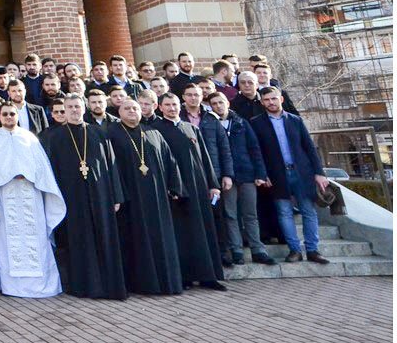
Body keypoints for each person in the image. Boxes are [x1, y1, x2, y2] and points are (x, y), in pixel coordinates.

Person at [39, 93, 126, 300]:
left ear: (84, 108)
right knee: (79, 240)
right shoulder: (55, 137)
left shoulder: (98, 133)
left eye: (78, 107)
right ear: (65, 111)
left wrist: (116, 196)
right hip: (72, 197)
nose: (74, 111)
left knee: (104, 237)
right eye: (70, 108)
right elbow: (50, 172)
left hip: (101, 195)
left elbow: (111, 165)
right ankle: (83, 286)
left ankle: (108, 284)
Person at [0, 102, 65, 298]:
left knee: (36, 238)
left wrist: (29, 175)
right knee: (8, 240)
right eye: (5, 114)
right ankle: (11, 287)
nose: (9, 117)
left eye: (12, 114)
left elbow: (42, 168)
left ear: (18, 116)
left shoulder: (29, 138)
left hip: (30, 194)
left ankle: (41, 286)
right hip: (5, 195)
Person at [106, 98, 184, 295]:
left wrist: (175, 187)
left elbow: (170, 161)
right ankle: (140, 285)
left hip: (157, 198)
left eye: (135, 108)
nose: (132, 111)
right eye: (127, 108)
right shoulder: (111, 134)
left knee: (161, 240)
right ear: (119, 112)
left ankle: (166, 283)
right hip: (130, 199)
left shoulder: (153, 133)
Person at [152, 93, 227, 290]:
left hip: (199, 188)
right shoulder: (155, 130)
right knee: (182, 234)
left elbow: (205, 158)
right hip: (176, 191)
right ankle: (185, 277)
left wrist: (213, 185)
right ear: (160, 107)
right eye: (167, 105)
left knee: (203, 231)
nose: (171, 108)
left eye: (175, 104)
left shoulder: (191, 128)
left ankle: (208, 276)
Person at [248, 86, 330, 264]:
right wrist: (262, 173)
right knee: (284, 212)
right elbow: (257, 152)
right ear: (262, 102)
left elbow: (309, 148)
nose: (271, 102)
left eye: (274, 99)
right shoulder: (256, 123)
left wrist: (319, 173)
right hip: (277, 175)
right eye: (267, 100)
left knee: (308, 211)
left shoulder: (295, 120)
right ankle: (294, 250)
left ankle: (313, 250)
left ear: (281, 99)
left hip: (302, 172)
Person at [207, 91, 275, 266]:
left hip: (246, 174)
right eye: (214, 104)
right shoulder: (210, 125)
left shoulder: (241, 123)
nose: (218, 106)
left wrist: (260, 173)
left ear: (227, 103)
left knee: (250, 214)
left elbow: (254, 149)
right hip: (226, 177)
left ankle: (258, 249)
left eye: (220, 102)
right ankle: (236, 250)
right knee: (230, 214)